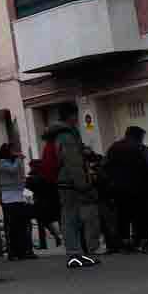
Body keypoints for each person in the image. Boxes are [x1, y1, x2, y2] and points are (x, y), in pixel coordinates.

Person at [44, 106, 100, 268]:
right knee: (70, 218)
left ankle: (77, 253)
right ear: (71, 116)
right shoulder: (66, 136)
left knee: (72, 217)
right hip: (69, 182)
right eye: (76, 115)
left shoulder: (62, 135)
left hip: (65, 181)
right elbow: (73, 162)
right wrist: (83, 184)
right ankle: (74, 253)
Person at [102, 125, 148, 253]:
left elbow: (104, 166)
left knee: (123, 215)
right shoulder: (141, 148)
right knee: (141, 215)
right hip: (139, 188)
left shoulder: (113, 148)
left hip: (118, 188)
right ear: (138, 136)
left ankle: (125, 243)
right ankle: (142, 242)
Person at [0, 143, 36, 261]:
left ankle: (23, 250)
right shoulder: (1, 162)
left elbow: (19, 174)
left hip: (18, 195)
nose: (15, 153)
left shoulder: (14, 161)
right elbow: (12, 170)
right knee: (12, 226)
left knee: (22, 225)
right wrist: (18, 159)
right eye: (13, 151)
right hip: (9, 197)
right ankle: (13, 251)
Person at [26, 158, 62, 251]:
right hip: (49, 201)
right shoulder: (45, 175)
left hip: (42, 202)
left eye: (31, 166)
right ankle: (55, 238)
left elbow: (31, 185)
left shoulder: (37, 177)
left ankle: (45, 243)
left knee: (44, 222)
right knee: (47, 222)